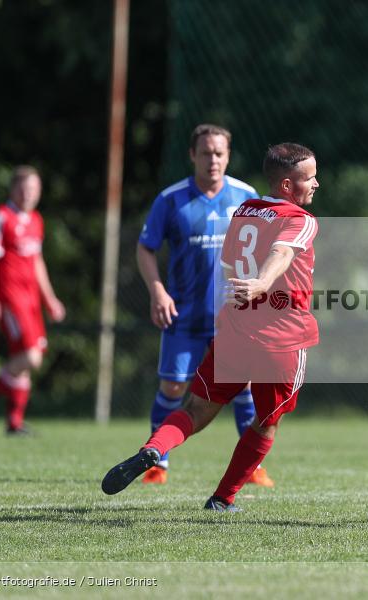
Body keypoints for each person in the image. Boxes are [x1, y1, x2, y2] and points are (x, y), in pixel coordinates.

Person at [102, 142, 320, 512]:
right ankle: (222, 498)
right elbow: (281, 253)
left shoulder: (245, 210)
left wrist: (251, 287)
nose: (316, 184)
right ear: (286, 185)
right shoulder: (300, 219)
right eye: (309, 178)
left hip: (236, 331)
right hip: (280, 339)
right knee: (266, 423)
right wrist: (264, 283)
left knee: (195, 409)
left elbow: (231, 263)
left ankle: (154, 449)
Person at [136, 123, 273, 487]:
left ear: (227, 156)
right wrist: (157, 291)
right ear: (192, 155)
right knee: (173, 389)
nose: (213, 159)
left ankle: (252, 468)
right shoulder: (171, 199)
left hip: (233, 319)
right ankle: (156, 463)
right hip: (184, 317)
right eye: (206, 152)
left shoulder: (246, 196)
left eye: (219, 153)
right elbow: (145, 248)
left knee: (243, 388)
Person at [0, 166, 65, 434]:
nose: (28, 194)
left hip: (31, 299)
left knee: (22, 359)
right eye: (23, 189)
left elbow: (37, 262)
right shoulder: (1, 217)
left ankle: (13, 422)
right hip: (10, 297)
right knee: (30, 357)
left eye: (34, 189)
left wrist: (50, 300)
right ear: (12, 189)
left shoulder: (36, 220)